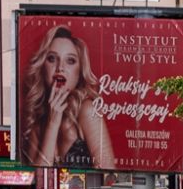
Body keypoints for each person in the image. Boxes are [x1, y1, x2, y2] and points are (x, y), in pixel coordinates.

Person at [21, 24, 118, 170]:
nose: (60, 67)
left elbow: (109, 175)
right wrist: (52, 124)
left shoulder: (87, 110)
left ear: (79, 72)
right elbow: (38, 179)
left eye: (70, 61)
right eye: (52, 59)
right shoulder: (37, 124)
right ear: (42, 66)